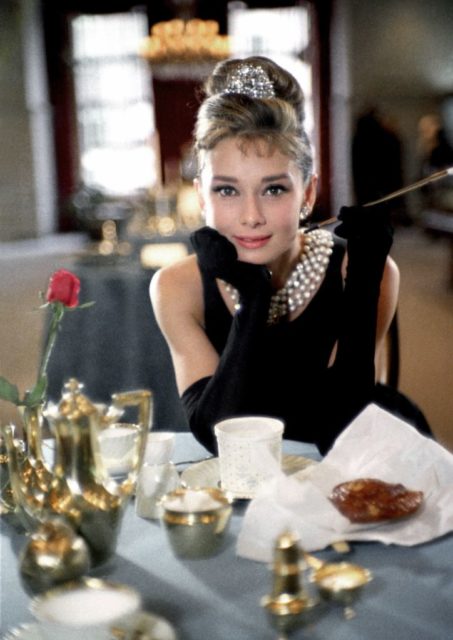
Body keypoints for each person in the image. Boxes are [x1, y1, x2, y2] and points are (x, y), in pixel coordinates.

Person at [150, 55, 429, 455]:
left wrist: (364, 284)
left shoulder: (367, 270)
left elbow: (345, 433)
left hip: (350, 470)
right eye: (227, 190)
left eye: (274, 189)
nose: (250, 217)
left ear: (309, 194)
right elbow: (218, 436)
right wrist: (253, 298)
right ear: (200, 196)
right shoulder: (176, 287)